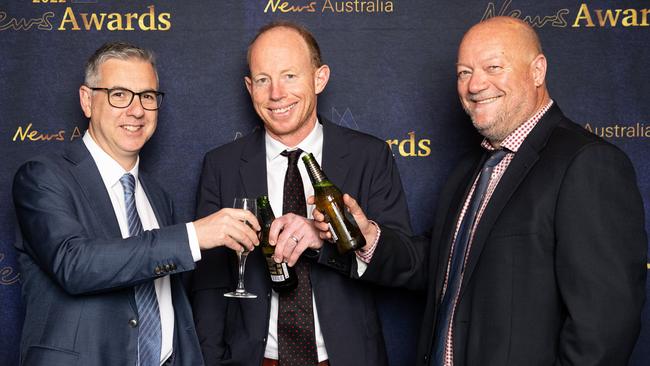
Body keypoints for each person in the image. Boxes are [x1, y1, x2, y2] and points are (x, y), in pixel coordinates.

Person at [313, 16, 647, 365]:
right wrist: (367, 238)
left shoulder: (587, 164)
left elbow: (604, 332)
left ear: (537, 70)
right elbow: (438, 265)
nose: (475, 85)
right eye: (464, 72)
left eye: (493, 67)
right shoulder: (471, 169)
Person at [12, 41, 260, 366]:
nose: (137, 110)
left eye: (147, 96)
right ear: (87, 101)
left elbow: (168, 302)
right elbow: (75, 265)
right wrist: (192, 237)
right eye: (119, 94)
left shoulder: (157, 197)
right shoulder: (43, 177)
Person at [190, 21, 412, 366]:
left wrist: (339, 237)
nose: (276, 93)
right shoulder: (221, 165)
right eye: (263, 80)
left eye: (290, 76)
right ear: (250, 88)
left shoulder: (370, 156)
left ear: (319, 78)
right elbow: (209, 284)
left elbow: (405, 264)